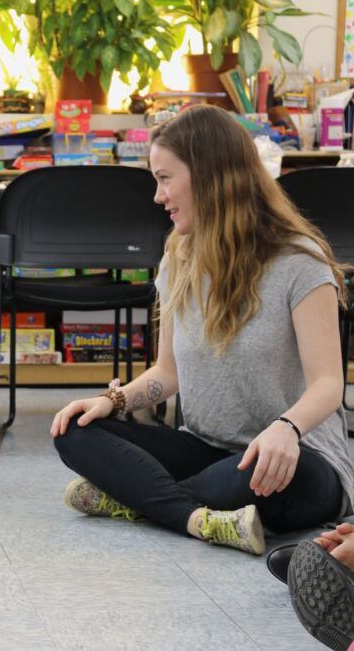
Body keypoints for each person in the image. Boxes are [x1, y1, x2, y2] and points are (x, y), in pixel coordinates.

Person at [50, 104, 354, 556]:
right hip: (209, 450)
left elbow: (330, 383)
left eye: (165, 178)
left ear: (211, 175)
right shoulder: (178, 257)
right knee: (74, 429)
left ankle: (137, 498)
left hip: (298, 459)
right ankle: (196, 519)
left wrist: (287, 428)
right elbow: (166, 372)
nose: (157, 196)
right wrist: (111, 401)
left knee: (247, 476)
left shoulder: (299, 260)